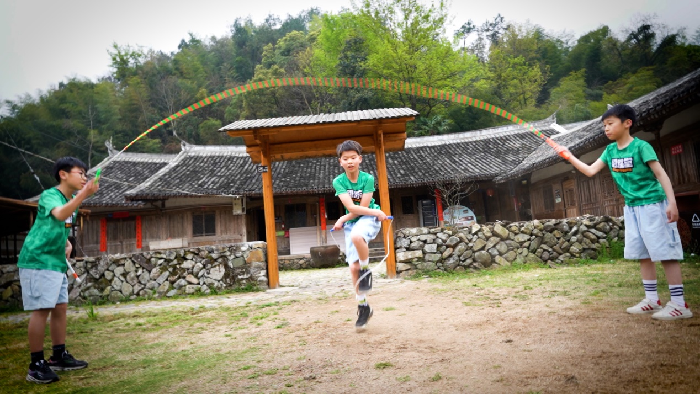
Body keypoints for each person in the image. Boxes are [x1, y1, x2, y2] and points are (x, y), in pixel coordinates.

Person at [555, 104, 692, 320]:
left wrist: (671, 203)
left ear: (627, 123)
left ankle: (679, 303)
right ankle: (652, 299)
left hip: (653, 205)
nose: (606, 129)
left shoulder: (641, 147)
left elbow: (661, 174)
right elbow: (591, 171)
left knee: (665, 253)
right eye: (604, 126)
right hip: (632, 208)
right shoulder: (610, 151)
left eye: (610, 124)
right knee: (643, 254)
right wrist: (569, 156)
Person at [18, 157, 99, 383]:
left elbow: (60, 225)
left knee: (60, 307)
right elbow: (60, 214)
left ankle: (58, 355)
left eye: (86, 174)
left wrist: (67, 243)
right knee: (42, 309)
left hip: (56, 261)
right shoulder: (50, 195)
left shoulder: (72, 198)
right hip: (38, 260)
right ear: (63, 174)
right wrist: (85, 194)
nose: (84, 177)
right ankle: (35, 365)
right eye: (80, 173)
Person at [332, 140, 388, 332]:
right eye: (345, 158)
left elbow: (363, 209)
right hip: (353, 220)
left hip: (368, 218)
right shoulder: (339, 182)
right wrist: (343, 218)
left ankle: (366, 270)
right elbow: (352, 208)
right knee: (352, 268)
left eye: (353, 158)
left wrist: (343, 218)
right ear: (340, 161)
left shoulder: (368, 179)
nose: (350, 161)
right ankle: (363, 307)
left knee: (357, 237)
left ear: (360, 159)